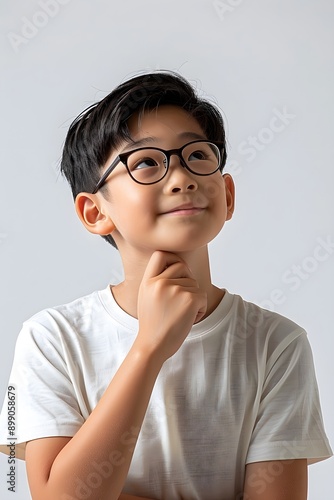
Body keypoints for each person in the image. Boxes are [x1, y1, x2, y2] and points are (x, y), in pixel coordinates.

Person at [0, 71, 332, 500]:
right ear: (94, 212)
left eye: (196, 155)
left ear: (227, 195)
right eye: (145, 163)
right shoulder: (51, 338)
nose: (181, 177)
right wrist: (149, 348)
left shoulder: (277, 344)